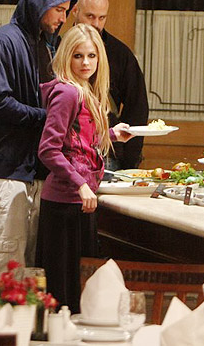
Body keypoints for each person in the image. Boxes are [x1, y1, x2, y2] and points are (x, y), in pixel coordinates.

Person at [0, 0, 77, 290]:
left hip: (38, 169)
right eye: (58, 9)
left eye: (66, 11)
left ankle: (27, 332)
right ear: (39, 4)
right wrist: (46, 117)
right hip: (11, 168)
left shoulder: (46, 46)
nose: (62, 18)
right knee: (9, 256)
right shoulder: (3, 41)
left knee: (33, 262)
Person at [36, 23, 132, 312]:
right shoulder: (68, 93)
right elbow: (48, 149)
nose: (86, 63)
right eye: (78, 56)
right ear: (67, 56)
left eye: (91, 56)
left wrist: (113, 134)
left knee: (78, 292)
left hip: (79, 201)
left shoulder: (84, 91)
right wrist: (80, 183)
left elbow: (77, 141)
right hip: (65, 203)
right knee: (64, 296)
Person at [72, 0, 149, 170]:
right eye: (90, 16)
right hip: (69, 151)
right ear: (75, 11)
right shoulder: (60, 48)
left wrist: (129, 163)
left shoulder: (120, 54)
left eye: (102, 18)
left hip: (108, 153)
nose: (96, 24)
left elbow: (137, 108)